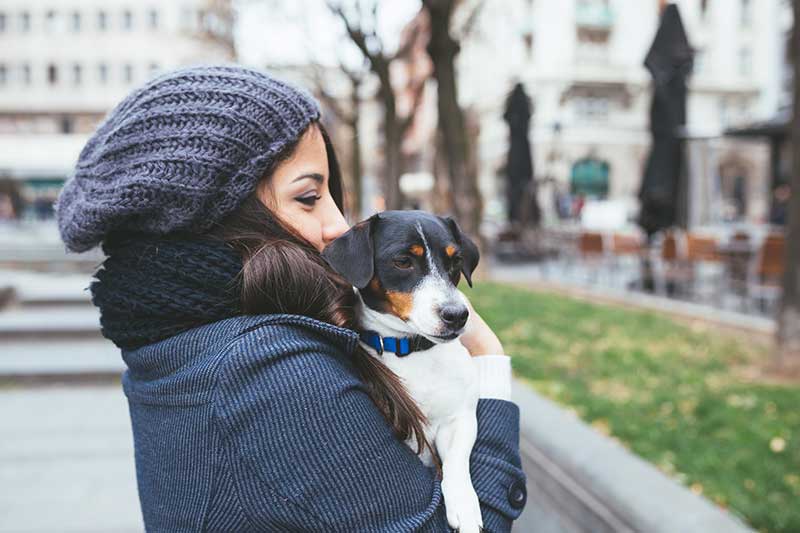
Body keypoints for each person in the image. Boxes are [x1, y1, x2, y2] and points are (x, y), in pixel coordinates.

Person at [55, 65, 526, 532]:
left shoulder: (183, 345)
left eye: (331, 195)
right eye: (308, 197)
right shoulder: (268, 374)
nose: (339, 225)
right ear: (223, 219)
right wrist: (488, 357)